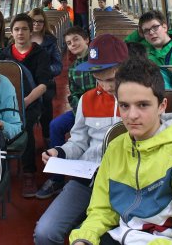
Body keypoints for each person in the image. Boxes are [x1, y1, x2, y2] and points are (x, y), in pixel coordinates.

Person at [69, 57, 172, 245]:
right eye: (124, 106)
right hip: (122, 235)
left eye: (143, 105)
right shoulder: (115, 148)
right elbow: (102, 210)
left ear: (162, 106)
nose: (132, 115)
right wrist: (84, 238)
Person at [34, 34, 127, 245]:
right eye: (99, 78)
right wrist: (59, 152)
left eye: (111, 79)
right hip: (89, 178)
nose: (106, 86)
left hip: (126, 182)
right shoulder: (87, 100)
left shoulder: (139, 101)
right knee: (45, 233)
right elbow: (78, 142)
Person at [35, 26, 96, 200]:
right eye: (69, 43)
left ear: (86, 40)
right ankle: (57, 179)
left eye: (76, 39)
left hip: (101, 111)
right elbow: (73, 94)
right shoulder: (74, 68)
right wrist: (80, 112)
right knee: (56, 125)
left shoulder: (98, 62)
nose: (72, 44)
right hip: (82, 111)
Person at [1, 13, 53, 197]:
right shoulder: (5, 54)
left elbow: (43, 84)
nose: (20, 33)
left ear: (31, 32)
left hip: (31, 101)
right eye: (16, 29)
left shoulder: (40, 54)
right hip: (7, 101)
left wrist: (25, 102)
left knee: (25, 126)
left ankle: (29, 173)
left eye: (24, 29)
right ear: (11, 32)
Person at [124, 9, 172, 88]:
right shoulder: (147, 44)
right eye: (146, 30)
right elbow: (124, 47)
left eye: (155, 27)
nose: (151, 33)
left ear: (164, 27)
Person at [29, 8, 63, 147]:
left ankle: (47, 137)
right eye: (33, 21)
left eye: (40, 21)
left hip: (46, 82)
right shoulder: (21, 38)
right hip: (27, 82)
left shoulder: (50, 41)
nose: (36, 24)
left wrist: (43, 72)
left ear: (44, 23)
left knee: (46, 111)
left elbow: (58, 65)